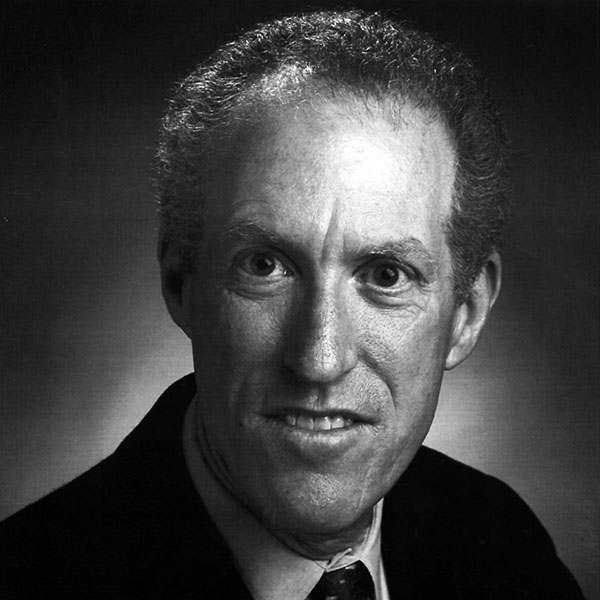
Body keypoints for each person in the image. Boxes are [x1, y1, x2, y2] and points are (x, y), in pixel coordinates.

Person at [0, 10, 584, 599]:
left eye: (386, 275)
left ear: (467, 313)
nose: (319, 360)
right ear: (181, 283)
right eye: (265, 266)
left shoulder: (504, 546)